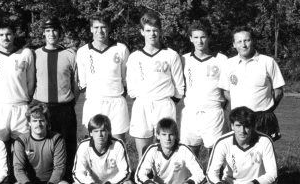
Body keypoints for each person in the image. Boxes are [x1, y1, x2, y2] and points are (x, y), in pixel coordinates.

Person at [200, 107, 280, 184]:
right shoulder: (222, 142)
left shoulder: (265, 141)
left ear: (253, 126)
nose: (242, 131)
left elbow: (273, 174)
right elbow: (211, 173)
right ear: (232, 126)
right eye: (238, 125)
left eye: (246, 126)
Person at [126, 12, 185, 160]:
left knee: (167, 151)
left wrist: (169, 102)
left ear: (160, 31)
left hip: (164, 105)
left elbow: (179, 88)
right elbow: (131, 88)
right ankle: (142, 182)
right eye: (148, 30)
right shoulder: (134, 57)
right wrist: (144, 100)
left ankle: (166, 181)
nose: (152, 34)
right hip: (142, 106)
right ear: (141, 32)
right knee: (144, 154)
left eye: (155, 30)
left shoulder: (171, 55)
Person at [8, 103, 71, 184]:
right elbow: (18, 169)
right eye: (35, 121)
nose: (38, 124)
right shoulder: (21, 141)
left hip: (51, 183)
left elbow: (59, 168)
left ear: (47, 122)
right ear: (29, 123)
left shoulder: (57, 139)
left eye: (42, 120)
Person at [135, 118, 204, 184]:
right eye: (164, 134)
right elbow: (139, 175)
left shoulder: (183, 150)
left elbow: (200, 174)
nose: (168, 138)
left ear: (176, 136)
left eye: (171, 134)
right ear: (157, 135)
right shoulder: (152, 150)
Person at [219, 27, 285, 141]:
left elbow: (278, 92)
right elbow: (225, 92)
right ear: (234, 44)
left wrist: (267, 110)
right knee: (240, 154)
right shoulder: (228, 64)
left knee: (263, 155)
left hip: (262, 119)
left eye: (246, 40)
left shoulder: (268, 62)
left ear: (252, 41)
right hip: (239, 118)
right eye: (239, 41)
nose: (243, 45)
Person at [32, 17, 78, 176]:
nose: (52, 34)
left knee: (67, 147)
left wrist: (68, 103)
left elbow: (75, 85)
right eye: (48, 30)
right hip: (42, 108)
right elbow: (31, 82)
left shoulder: (70, 54)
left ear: (60, 33)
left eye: (55, 30)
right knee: (43, 147)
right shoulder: (35, 54)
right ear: (43, 33)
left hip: (64, 109)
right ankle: (42, 183)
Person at [70, 114, 134, 184]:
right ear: (90, 133)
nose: (100, 135)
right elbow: (77, 173)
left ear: (108, 131)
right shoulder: (84, 146)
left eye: (103, 130)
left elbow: (126, 172)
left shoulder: (118, 144)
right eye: (96, 131)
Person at [76, 16, 130, 141]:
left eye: (103, 27)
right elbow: (83, 84)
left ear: (109, 28)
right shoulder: (82, 52)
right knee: (92, 145)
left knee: (118, 145)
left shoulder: (121, 49)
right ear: (91, 29)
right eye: (96, 27)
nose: (100, 31)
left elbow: (125, 80)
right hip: (94, 103)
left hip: (116, 103)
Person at [180, 22, 228, 157]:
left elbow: (227, 89)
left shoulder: (221, 59)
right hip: (191, 113)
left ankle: (212, 178)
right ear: (190, 38)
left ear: (208, 38)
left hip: (213, 112)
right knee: (189, 155)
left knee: (215, 155)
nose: (199, 41)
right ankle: (194, 178)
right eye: (195, 37)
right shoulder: (184, 60)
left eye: (203, 37)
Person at [0, 22, 35, 144]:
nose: (5, 38)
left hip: (21, 106)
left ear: (14, 35)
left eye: (8, 34)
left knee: (22, 145)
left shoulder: (26, 53)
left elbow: (31, 81)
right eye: (1, 35)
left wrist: (25, 98)